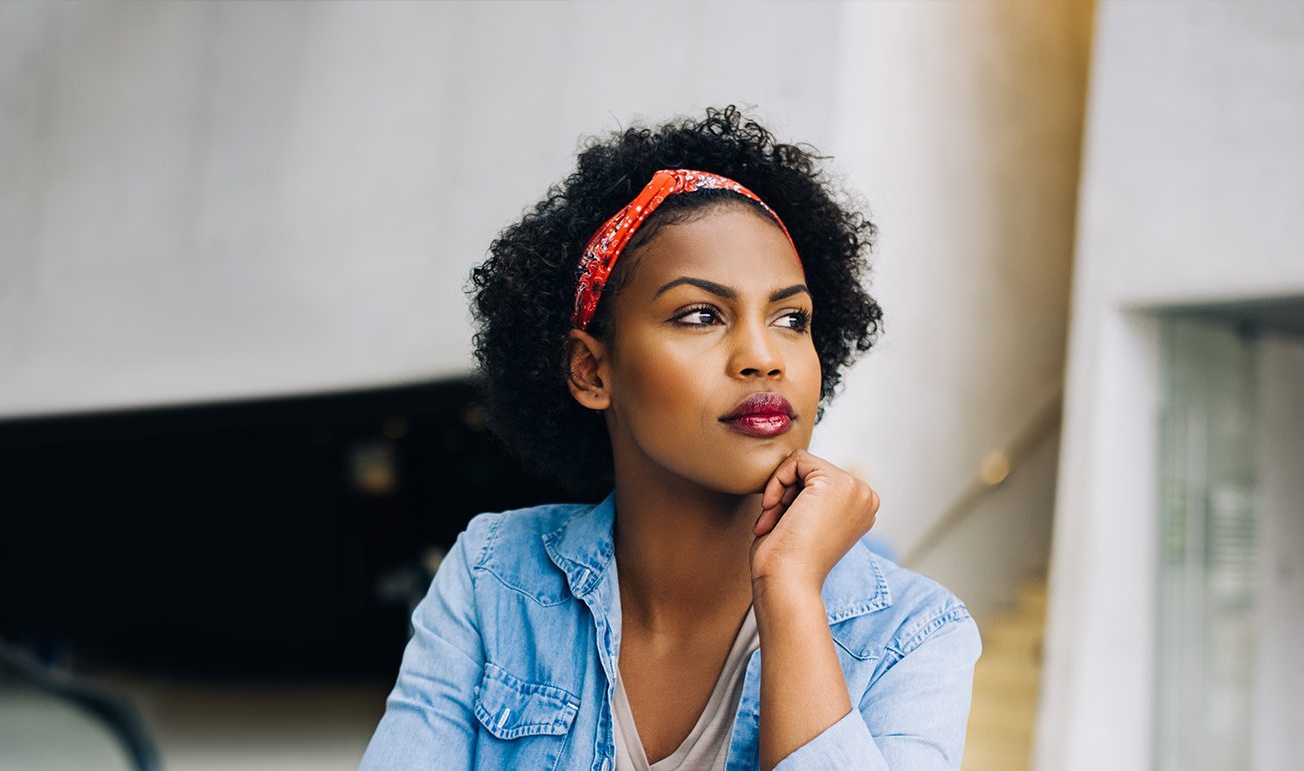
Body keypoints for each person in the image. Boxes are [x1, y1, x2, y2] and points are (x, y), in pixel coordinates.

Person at [357, 105, 981, 770]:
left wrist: (792, 590)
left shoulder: (913, 633)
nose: (761, 355)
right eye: (699, 314)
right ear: (592, 371)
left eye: (790, 318)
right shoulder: (494, 578)